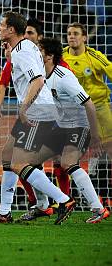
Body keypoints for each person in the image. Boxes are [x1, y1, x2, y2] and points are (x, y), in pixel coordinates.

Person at [0, 12, 74, 224]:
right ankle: (4, 212)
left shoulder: (22, 51)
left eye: (2, 25)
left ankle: (63, 200)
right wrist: (10, 59)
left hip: (37, 111)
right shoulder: (23, 48)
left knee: (18, 163)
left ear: (11, 30)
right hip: (39, 109)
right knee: (8, 155)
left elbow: (38, 81)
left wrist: (24, 108)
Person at [39, 37, 109, 223]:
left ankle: (98, 209)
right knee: (29, 159)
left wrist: (95, 135)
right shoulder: (42, 76)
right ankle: (48, 204)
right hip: (62, 127)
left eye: (40, 50)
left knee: (68, 163)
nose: (36, 53)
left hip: (80, 125)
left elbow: (89, 104)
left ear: (49, 56)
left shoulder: (64, 77)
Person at [63, 23, 112, 157]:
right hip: (73, 110)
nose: (71, 37)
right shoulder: (61, 57)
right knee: (67, 153)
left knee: (109, 147)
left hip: (98, 106)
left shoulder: (95, 57)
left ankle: (98, 170)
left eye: (76, 34)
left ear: (84, 38)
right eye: (69, 34)